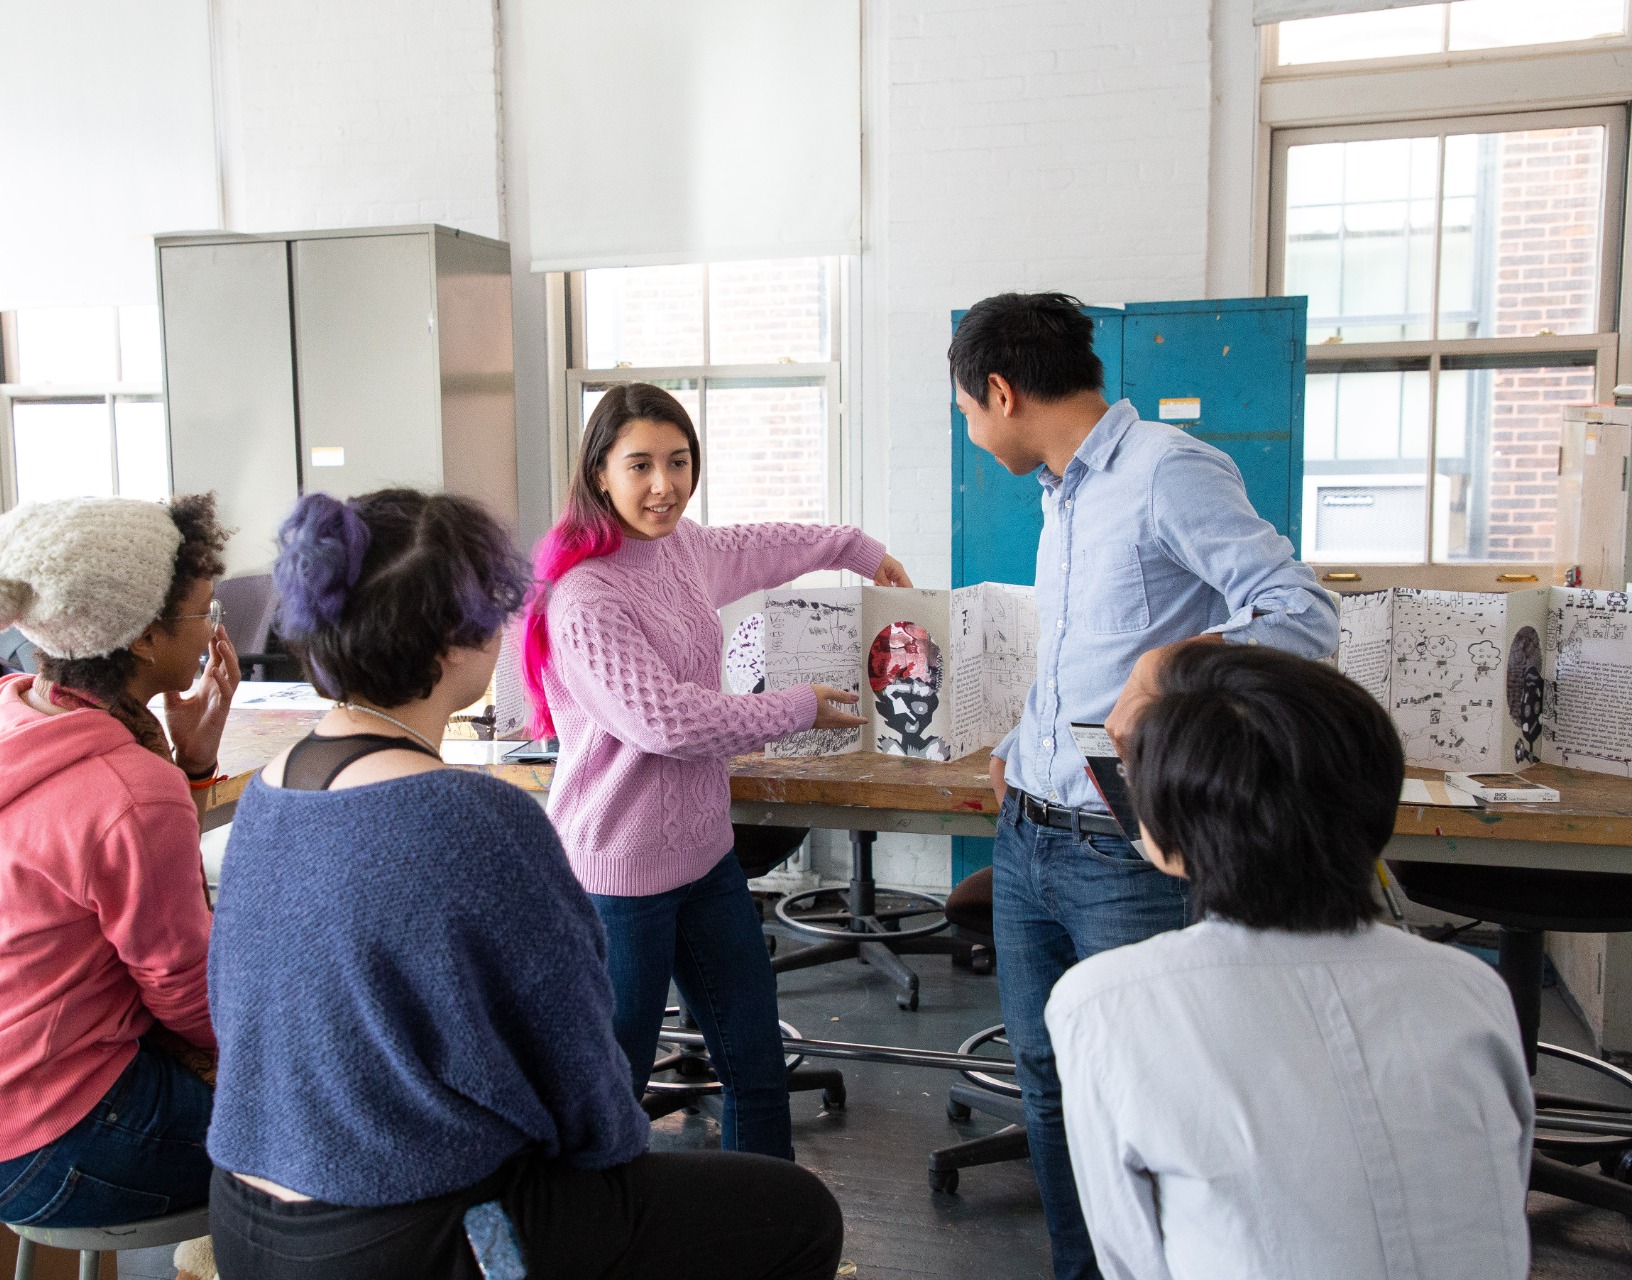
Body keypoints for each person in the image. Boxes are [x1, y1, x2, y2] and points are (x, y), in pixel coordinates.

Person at [205, 489, 844, 1280]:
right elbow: (580, 1068)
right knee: (798, 1214)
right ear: (455, 640)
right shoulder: (473, 815)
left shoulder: (272, 785)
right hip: (414, 1238)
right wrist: (614, 1168)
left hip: (246, 1217)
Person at [949, 292, 1340, 1278]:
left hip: (1122, 851)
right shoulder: (1063, 491)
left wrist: (1173, 665)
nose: (970, 429)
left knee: (1149, 1091)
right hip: (1029, 833)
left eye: (966, 409)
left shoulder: (1167, 470)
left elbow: (1301, 614)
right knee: (1047, 1081)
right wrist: (1024, 739)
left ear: (1001, 391)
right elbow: (1087, 651)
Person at [1046, 643, 1533, 1280]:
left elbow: (1131, 1257)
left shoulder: (1104, 1003)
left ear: (1167, 821)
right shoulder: (1471, 987)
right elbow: (1501, 1191)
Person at [521, 382, 910, 1160]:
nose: (664, 485)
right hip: (619, 878)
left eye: (679, 461)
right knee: (613, 1098)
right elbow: (664, 721)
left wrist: (854, 547)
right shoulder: (585, 595)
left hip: (705, 859)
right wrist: (795, 708)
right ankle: (604, 1225)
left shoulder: (682, 548)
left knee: (757, 1069)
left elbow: (761, 545)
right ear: (600, 473)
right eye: (640, 465)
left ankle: (769, 1222)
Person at [0, 494, 240, 1227]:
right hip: (59, 1139)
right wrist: (278, 1048)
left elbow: (122, 872)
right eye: (205, 612)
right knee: (334, 1122)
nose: (214, 630)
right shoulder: (128, 785)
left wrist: (189, 762)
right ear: (145, 636)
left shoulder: (6, 715)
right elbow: (184, 986)